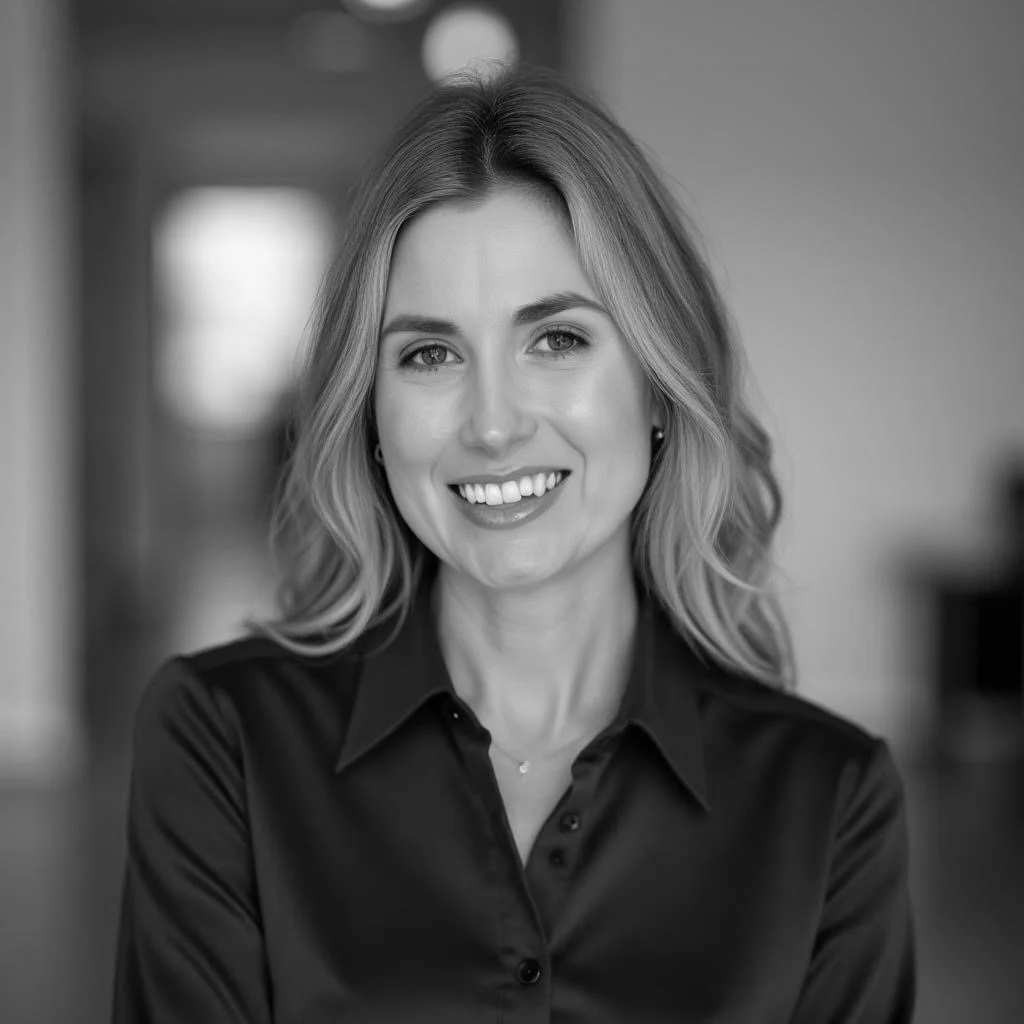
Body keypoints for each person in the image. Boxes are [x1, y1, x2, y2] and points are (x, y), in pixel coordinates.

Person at [111, 64, 915, 1022]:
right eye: (430, 355)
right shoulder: (222, 738)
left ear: (659, 383)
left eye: (558, 340)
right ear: (368, 413)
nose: (492, 424)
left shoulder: (830, 800)